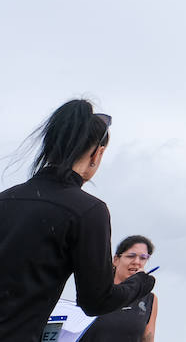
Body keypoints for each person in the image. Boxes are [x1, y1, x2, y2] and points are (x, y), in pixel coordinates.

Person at [0, 99, 155, 342]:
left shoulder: (5, 199)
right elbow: (96, 300)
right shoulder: (88, 210)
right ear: (97, 153)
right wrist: (140, 283)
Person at [83, 235, 159, 341]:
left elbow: (147, 338)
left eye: (143, 258)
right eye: (131, 256)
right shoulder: (98, 290)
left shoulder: (150, 299)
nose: (136, 262)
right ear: (116, 260)